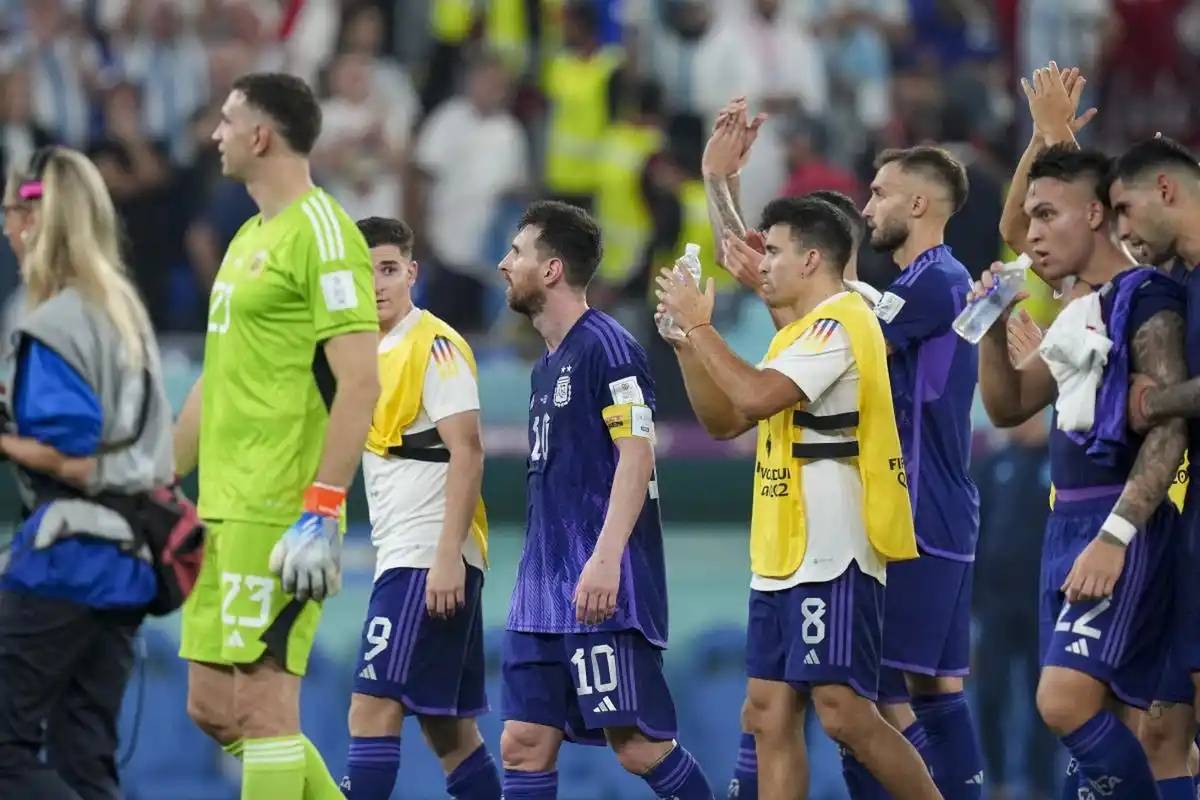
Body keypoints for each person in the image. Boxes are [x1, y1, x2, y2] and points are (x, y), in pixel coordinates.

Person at [656, 195, 942, 800]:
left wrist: (704, 327)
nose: (762, 265)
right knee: (766, 711)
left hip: (834, 545)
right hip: (784, 545)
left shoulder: (843, 322)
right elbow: (725, 421)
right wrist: (686, 344)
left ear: (811, 259)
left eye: (775, 252)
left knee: (843, 712)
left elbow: (756, 397)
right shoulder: (797, 336)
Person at [173, 72, 380, 800]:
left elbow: (360, 382)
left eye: (228, 120)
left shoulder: (324, 233)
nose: (216, 133)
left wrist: (321, 508)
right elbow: (218, 376)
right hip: (221, 506)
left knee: (264, 708)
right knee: (212, 706)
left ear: (261, 136)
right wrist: (159, 478)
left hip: (279, 507)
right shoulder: (244, 238)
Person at [977, 143, 1187, 800]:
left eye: (1048, 215)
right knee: (1121, 727)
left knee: (1063, 701)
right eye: (1032, 218)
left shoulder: (1147, 297)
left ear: (1095, 214)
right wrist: (992, 328)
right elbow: (1009, 405)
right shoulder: (1079, 310)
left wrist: (1113, 538)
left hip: (1116, 523)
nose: (1032, 233)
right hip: (1063, 526)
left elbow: (1169, 426)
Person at [496, 200, 715, 800]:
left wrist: (605, 558)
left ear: (551, 269)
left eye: (516, 252)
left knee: (637, 745)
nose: (503, 264)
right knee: (523, 742)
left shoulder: (609, 348)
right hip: (541, 590)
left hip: (598, 585)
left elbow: (637, 453)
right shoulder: (546, 365)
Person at [0, 146, 174, 799]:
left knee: (7, 752)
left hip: (68, 555)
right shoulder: (120, 308)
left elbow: (73, 452)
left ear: (34, 221)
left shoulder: (54, 320)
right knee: (84, 759)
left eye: (11, 211)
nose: (6, 226)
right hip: (128, 561)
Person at [838, 144, 984, 800]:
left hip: (916, 509)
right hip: (944, 506)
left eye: (879, 193)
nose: (868, 207)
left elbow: (848, 346)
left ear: (919, 203)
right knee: (934, 688)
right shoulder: (937, 282)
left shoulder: (932, 280)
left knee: (869, 695)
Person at [339, 216, 500, 800]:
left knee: (371, 707)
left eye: (388, 269)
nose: (377, 284)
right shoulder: (363, 351)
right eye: (364, 273)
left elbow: (468, 451)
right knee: (447, 729)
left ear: (412, 272)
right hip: (407, 552)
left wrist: (446, 556)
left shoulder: (434, 346)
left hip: (425, 553)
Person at [1113, 136, 1200, 798]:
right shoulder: (1181, 284)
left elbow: (1164, 401)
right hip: (1191, 513)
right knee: (1162, 728)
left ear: (1165, 190)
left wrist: (1152, 402)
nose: (1122, 230)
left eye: (1124, 208)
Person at [971, 415, 1057, 800]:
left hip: (1044, 605)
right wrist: (972, 607)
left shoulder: (1060, 466)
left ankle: (1041, 785)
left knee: (1046, 700)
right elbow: (976, 537)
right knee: (990, 694)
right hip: (995, 605)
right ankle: (998, 783)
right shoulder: (990, 466)